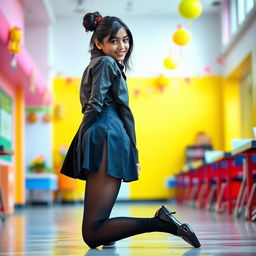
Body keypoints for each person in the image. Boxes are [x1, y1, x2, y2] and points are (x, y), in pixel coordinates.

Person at [60, 11, 201, 249]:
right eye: (114, 40)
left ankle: (161, 223)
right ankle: (112, 232)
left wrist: (82, 137)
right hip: (107, 135)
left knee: (91, 235)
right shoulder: (105, 64)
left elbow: (99, 106)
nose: (122, 45)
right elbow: (113, 109)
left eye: (125, 39)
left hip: (105, 135)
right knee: (98, 228)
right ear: (98, 42)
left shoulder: (102, 63)